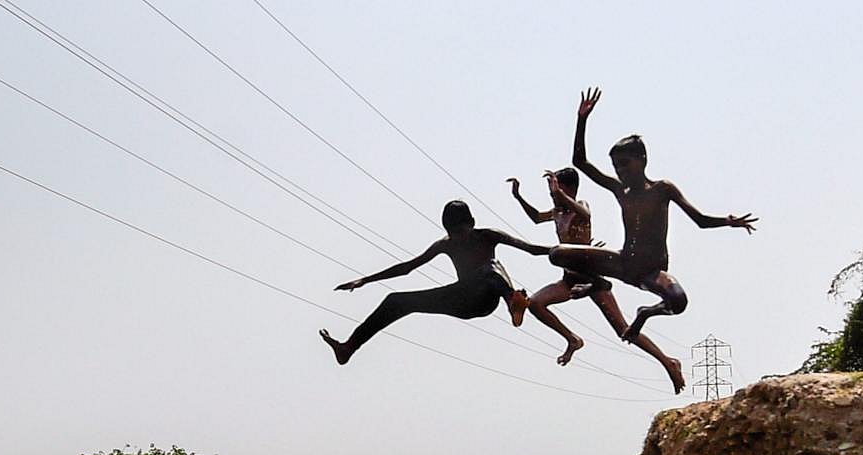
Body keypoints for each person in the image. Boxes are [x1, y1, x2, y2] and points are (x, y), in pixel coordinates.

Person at [549, 87, 757, 348]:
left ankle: (644, 313)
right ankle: (598, 284)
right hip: (624, 264)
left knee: (678, 301)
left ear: (642, 160)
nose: (620, 170)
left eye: (625, 164)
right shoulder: (619, 189)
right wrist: (582, 119)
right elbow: (580, 161)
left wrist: (727, 221)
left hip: (651, 271)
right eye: (616, 166)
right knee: (557, 254)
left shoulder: (662, 189)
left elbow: (700, 220)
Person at [508, 167, 688, 392]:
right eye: (551, 190)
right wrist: (518, 196)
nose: (553, 194)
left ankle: (668, 361)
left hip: (593, 281)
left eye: (557, 189)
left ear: (569, 189)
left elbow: (586, 215)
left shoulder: (580, 207)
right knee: (535, 303)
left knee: (623, 330)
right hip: (569, 280)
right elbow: (536, 218)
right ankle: (572, 339)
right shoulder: (556, 212)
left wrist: (560, 195)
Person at [320, 201, 548, 365]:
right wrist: (366, 280)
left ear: (472, 223)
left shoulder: (488, 235)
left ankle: (513, 302)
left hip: (488, 297)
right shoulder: (445, 244)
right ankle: (348, 348)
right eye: (452, 233)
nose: (457, 238)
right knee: (395, 301)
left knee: (490, 268)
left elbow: (532, 250)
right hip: (463, 300)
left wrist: (571, 253)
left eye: (460, 232)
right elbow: (408, 267)